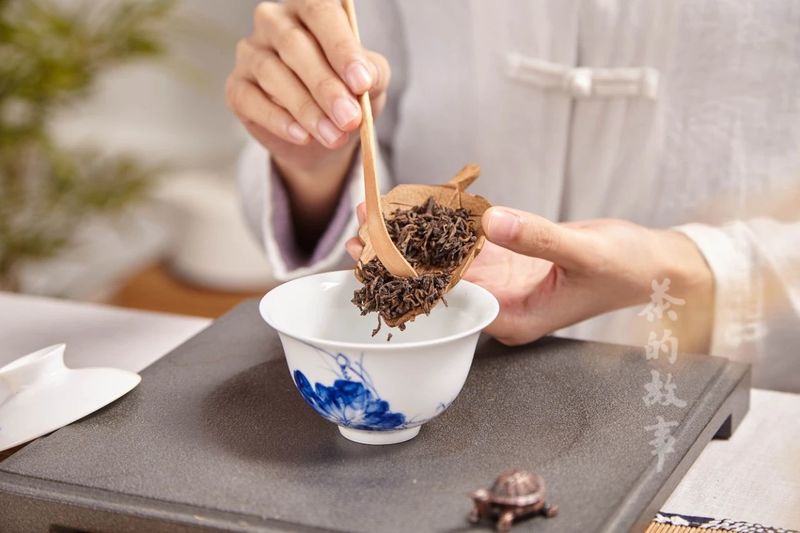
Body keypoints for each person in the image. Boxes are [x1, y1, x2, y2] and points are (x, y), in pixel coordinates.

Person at [228, 0, 800, 391]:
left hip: (716, 394)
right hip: (430, 368)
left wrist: (685, 266)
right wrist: (317, 157)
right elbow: (355, 108)